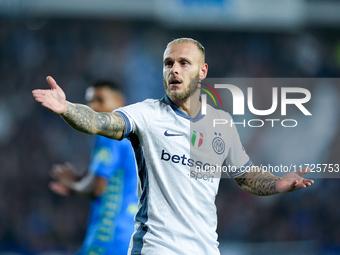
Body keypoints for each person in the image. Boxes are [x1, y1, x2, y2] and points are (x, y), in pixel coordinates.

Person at [33, 38, 314, 255]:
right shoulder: (147, 115)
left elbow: (245, 175)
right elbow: (98, 122)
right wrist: (67, 108)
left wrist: (278, 184)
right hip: (156, 248)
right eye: (168, 63)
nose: (174, 70)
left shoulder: (222, 123)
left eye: (183, 63)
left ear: (202, 71)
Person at [48, 81, 138, 255]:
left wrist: (73, 185)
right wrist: (78, 181)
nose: (93, 106)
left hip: (108, 237)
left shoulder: (111, 137)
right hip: (130, 237)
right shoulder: (133, 136)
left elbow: (97, 187)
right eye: (90, 101)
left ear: (120, 102)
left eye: (100, 100)